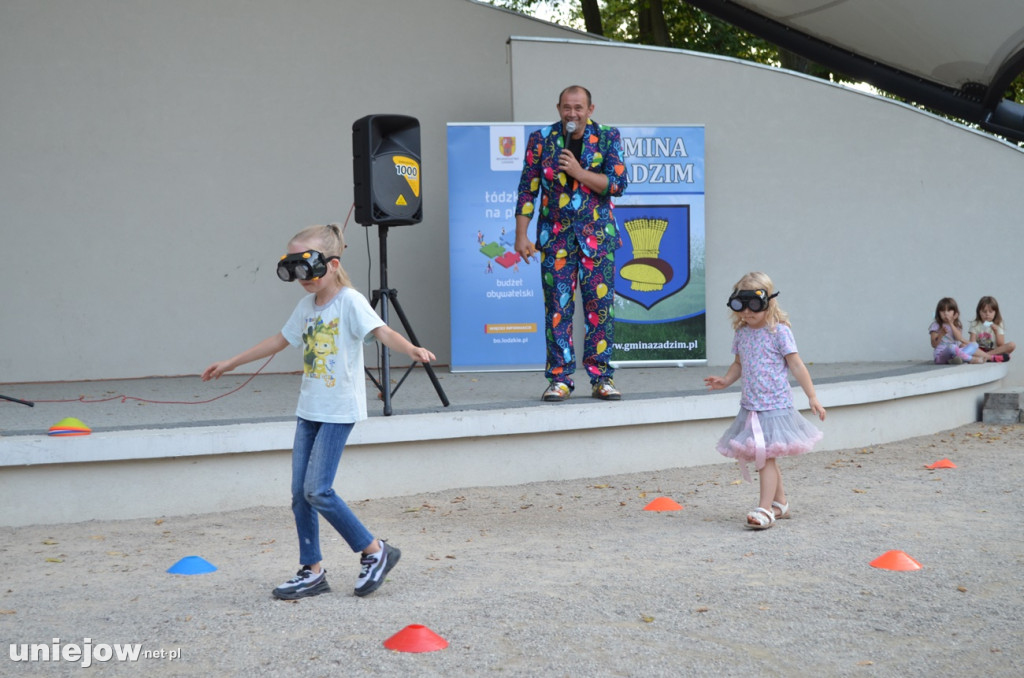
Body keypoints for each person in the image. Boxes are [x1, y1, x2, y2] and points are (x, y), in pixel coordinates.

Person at [202, 224, 436, 599]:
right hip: (309, 409)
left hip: (338, 410)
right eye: (292, 269)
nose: (301, 278)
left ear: (331, 264)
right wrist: (232, 362)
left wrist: (411, 348)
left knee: (318, 490)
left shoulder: (350, 301)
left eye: (307, 267)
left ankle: (375, 551)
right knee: (300, 493)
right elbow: (279, 340)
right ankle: (312, 571)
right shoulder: (306, 307)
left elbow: (381, 331)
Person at [515, 85, 629, 402]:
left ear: (590, 109)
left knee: (599, 309)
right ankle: (560, 379)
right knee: (557, 311)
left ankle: (602, 377)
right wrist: (520, 235)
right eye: (567, 107)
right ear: (558, 108)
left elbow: (618, 184)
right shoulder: (541, 139)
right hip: (556, 239)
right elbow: (528, 189)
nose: (572, 114)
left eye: (579, 108)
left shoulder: (608, 137)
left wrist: (578, 172)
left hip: (598, 241)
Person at [704, 272, 826, 530]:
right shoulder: (742, 333)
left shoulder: (779, 332)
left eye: (753, 307)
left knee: (764, 458)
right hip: (751, 407)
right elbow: (739, 364)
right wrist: (726, 380)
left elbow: (796, 364)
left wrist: (812, 397)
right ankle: (780, 504)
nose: (746, 313)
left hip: (774, 407)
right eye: (740, 307)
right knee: (766, 456)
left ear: (767, 303)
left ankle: (764, 509)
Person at [929, 297, 987, 364]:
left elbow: (959, 338)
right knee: (952, 347)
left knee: (974, 344)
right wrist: (941, 334)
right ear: (938, 312)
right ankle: (971, 359)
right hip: (941, 356)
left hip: (955, 353)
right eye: (942, 311)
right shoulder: (936, 325)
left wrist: (951, 323)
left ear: (955, 313)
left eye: (949, 310)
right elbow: (933, 344)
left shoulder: (957, 325)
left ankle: (957, 359)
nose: (945, 313)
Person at [969, 296, 1014, 363]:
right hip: (980, 350)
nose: (987, 314)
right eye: (984, 311)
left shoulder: (998, 323)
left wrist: (996, 332)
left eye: (990, 312)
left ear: (995, 312)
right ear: (979, 312)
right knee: (963, 345)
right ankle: (992, 358)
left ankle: (985, 357)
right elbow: (972, 342)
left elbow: (1001, 344)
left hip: (994, 350)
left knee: (1012, 345)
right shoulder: (975, 324)